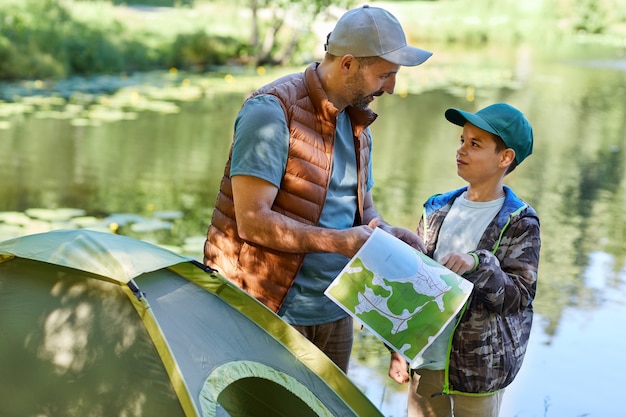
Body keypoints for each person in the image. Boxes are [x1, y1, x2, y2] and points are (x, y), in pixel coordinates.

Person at [203, 5, 432, 373]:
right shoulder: (272, 111)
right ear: (347, 64)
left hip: (335, 311)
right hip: (269, 307)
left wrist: (389, 236)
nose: (390, 88)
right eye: (385, 75)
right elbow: (251, 221)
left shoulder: (359, 124)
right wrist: (339, 242)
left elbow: (364, 213)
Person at [387, 103, 541, 417]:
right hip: (425, 362)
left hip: (476, 373)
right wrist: (397, 348)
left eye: (475, 144)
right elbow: (414, 284)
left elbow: (518, 298)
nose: (461, 150)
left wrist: (478, 264)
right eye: (461, 140)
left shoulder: (519, 222)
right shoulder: (436, 208)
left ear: (505, 158)